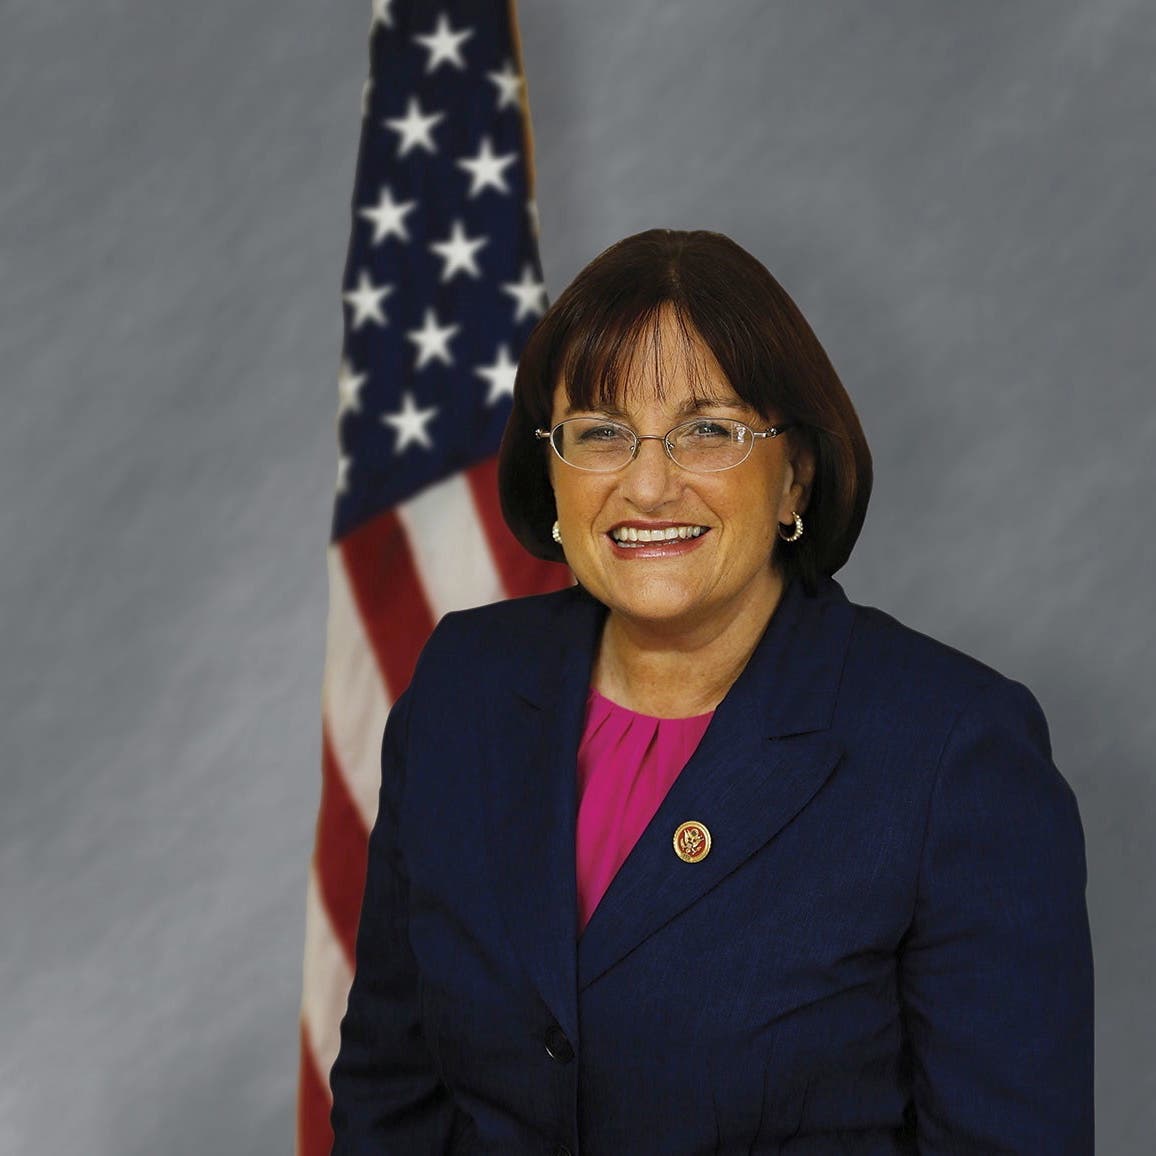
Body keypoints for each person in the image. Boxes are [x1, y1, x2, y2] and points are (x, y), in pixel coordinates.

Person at [329, 229, 1094, 1154]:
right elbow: (389, 1096)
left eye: (709, 431)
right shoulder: (464, 688)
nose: (649, 485)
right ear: (553, 471)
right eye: (601, 433)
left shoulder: (951, 751)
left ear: (794, 476)